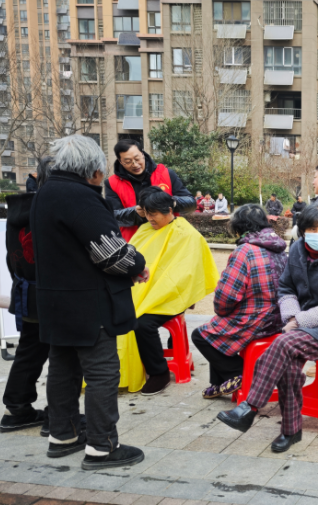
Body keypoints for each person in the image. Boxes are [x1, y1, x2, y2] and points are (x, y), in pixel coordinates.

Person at [31, 135, 148, 469]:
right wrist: (138, 265)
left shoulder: (45, 193)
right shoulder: (81, 197)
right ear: (93, 171)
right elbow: (110, 254)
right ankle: (102, 446)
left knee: (63, 368)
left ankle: (63, 435)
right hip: (88, 303)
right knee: (102, 372)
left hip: (55, 301)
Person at [216, 204, 318, 453]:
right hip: (300, 326)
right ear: (302, 231)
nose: (317, 233)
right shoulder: (297, 250)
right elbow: (285, 287)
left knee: (282, 343)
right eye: (311, 229)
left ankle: (250, 406)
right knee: (290, 367)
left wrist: (298, 322)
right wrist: (292, 316)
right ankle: (291, 431)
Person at [122, 187, 219, 395]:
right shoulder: (145, 230)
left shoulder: (187, 234)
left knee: (142, 324)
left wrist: (157, 293)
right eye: (146, 213)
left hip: (171, 297)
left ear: (168, 210)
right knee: (117, 314)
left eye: (154, 213)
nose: (150, 218)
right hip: (145, 293)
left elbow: (185, 275)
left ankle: (159, 373)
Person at [192, 204, 287, 399]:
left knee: (202, 335)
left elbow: (225, 298)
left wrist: (222, 311)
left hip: (258, 322)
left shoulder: (245, 251)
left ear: (238, 227)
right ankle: (218, 383)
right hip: (280, 320)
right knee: (217, 326)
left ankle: (239, 373)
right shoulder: (280, 249)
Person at [0, 157, 54, 434]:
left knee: (30, 350)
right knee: (65, 355)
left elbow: (11, 257)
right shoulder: (52, 209)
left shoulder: (18, 209)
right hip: (54, 295)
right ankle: (61, 417)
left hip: (26, 291)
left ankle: (16, 409)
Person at [104, 139, 195, 243]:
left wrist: (172, 202)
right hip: (135, 243)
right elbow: (112, 216)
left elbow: (191, 203)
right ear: (120, 161)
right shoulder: (112, 183)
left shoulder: (166, 174)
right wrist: (135, 213)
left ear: (142, 154)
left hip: (169, 240)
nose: (135, 164)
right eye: (128, 162)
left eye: (137, 158)